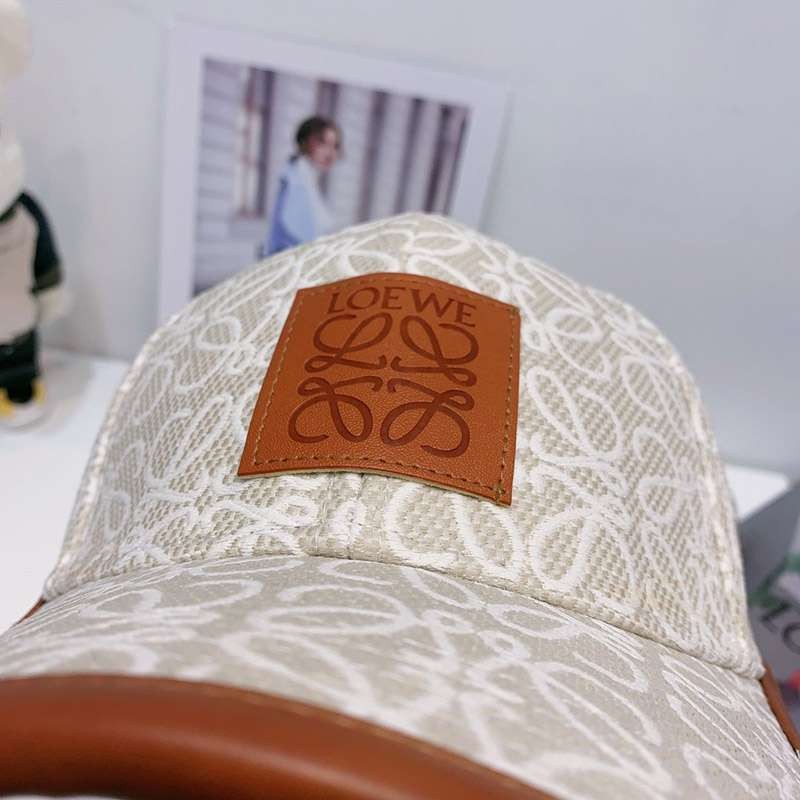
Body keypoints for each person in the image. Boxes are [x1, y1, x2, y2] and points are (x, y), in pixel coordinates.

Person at [264, 115, 340, 256]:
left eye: (334, 146)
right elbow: (304, 231)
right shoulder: (298, 177)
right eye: (323, 143)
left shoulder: (302, 174)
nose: (330, 153)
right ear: (305, 142)